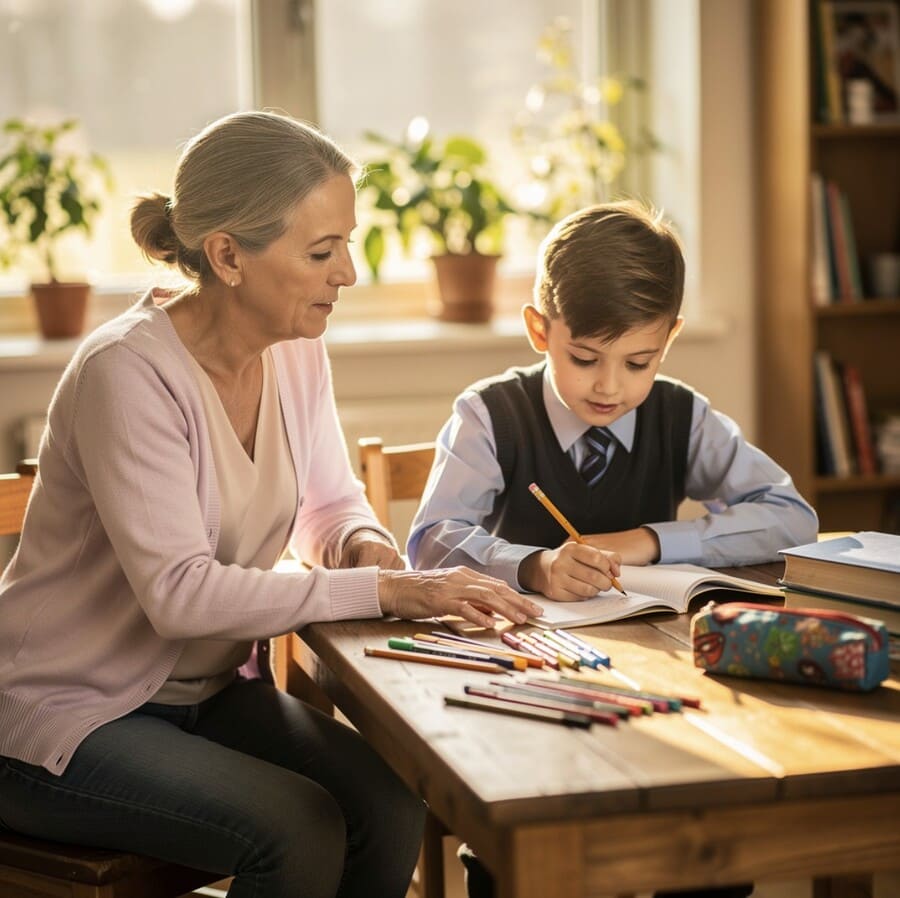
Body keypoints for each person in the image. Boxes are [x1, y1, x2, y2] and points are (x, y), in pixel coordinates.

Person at [0, 111, 542, 898]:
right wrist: (387, 590)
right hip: (64, 715)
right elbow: (180, 596)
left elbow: (328, 504)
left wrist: (363, 546)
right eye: (321, 252)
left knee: (392, 803)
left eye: (346, 244)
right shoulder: (126, 373)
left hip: (206, 695)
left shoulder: (294, 349)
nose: (346, 272)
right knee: (296, 829)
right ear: (228, 256)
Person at [408, 200, 818, 898]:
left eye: (639, 362)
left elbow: (792, 517)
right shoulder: (490, 415)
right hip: (532, 679)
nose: (610, 386)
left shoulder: (680, 415)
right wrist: (534, 565)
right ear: (540, 329)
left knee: (710, 835)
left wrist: (652, 541)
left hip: (662, 679)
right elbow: (430, 541)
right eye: (584, 358)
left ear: (670, 338)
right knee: (529, 848)